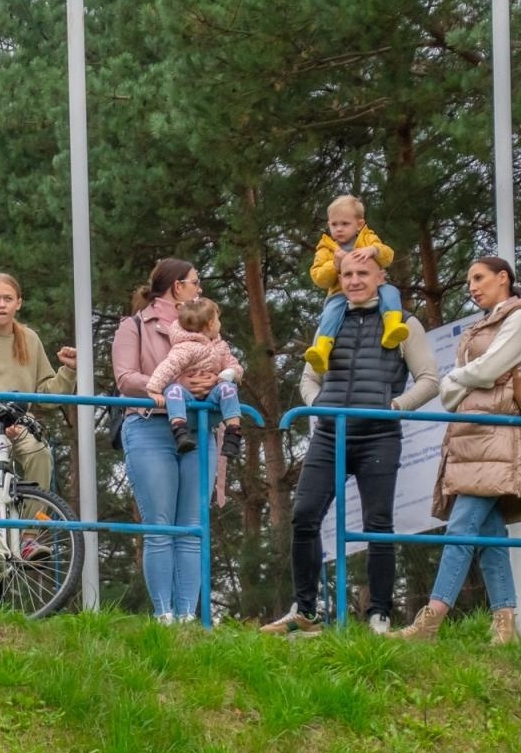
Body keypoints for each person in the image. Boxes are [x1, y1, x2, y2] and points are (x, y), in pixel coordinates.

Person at [262, 249, 439, 637]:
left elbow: (429, 379)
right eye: (347, 274)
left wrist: (396, 406)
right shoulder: (330, 321)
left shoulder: (404, 323)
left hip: (379, 436)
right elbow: (308, 379)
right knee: (304, 515)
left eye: (363, 273)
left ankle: (378, 614)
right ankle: (304, 612)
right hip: (329, 435)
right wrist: (316, 406)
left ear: (381, 277)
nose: (354, 281)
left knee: (378, 525)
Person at [397, 256, 521, 645]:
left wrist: (453, 381)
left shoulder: (520, 317)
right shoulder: (489, 321)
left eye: (479, 278)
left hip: (498, 435)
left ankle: (432, 619)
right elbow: (473, 378)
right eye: (468, 281)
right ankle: (505, 624)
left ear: (504, 278)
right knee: (490, 534)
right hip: (474, 436)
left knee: (463, 525)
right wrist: (462, 382)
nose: (472, 286)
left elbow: (486, 370)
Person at [112, 258, 218, 625]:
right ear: (177, 288)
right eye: (195, 281)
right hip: (150, 427)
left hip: (200, 427)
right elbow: (125, 379)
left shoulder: (206, 321)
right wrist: (178, 387)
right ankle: (164, 616)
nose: (199, 288)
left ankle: (188, 617)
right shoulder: (134, 326)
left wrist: (216, 382)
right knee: (160, 525)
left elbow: (224, 361)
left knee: (191, 526)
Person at [0, 272, 78, 494]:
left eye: (8, 299)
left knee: (40, 453)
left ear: (18, 303)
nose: (2, 305)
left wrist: (69, 370)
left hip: (17, 421)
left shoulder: (29, 339)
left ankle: (31, 527)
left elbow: (47, 394)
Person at [303, 195, 407, 373]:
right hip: (339, 293)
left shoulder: (368, 238)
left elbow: (388, 256)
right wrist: (334, 265)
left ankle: (392, 325)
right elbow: (319, 278)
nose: (339, 229)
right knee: (330, 313)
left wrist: (373, 250)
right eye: (334, 224)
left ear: (359, 224)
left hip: (374, 289)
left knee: (391, 292)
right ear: (328, 225)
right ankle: (322, 348)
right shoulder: (325, 249)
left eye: (345, 224)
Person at [144, 298, 244, 459]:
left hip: (212, 396)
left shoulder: (221, 346)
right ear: (211, 324)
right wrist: (153, 389)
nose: (220, 323)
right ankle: (180, 428)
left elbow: (235, 366)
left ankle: (233, 432)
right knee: (173, 390)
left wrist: (231, 373)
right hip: (190, 398)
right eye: (218, 319)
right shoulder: (186, 346)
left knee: (229, 388)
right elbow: (169, 366)